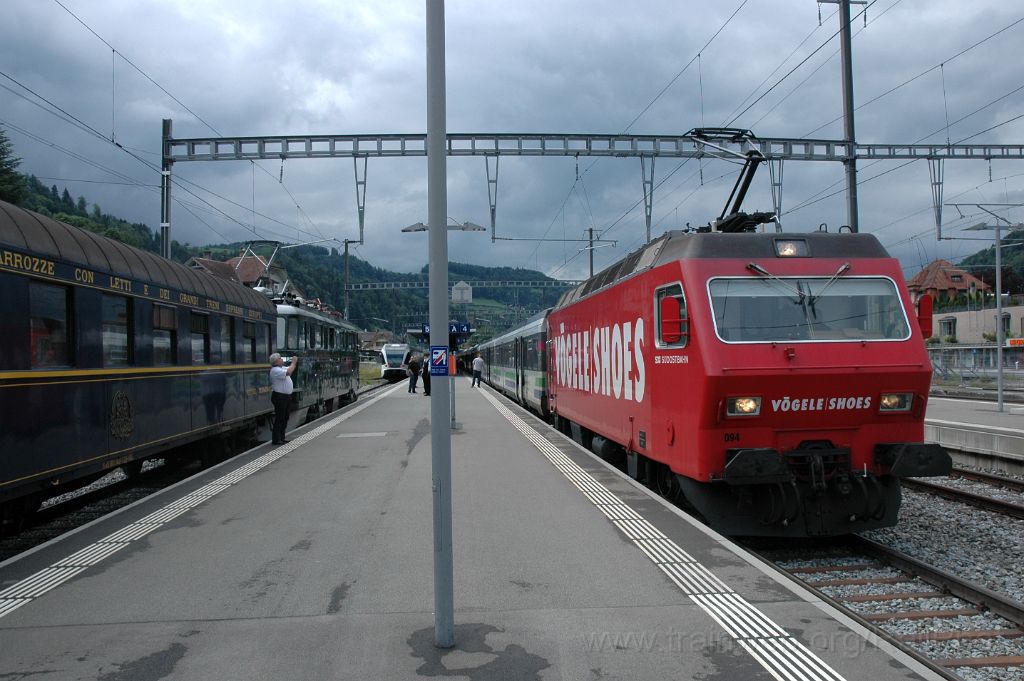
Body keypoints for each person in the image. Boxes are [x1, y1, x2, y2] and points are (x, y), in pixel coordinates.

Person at [269, 352, 298, 444]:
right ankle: (276, 439)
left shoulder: (281, 368)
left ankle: (281, 437)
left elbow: (290, 369)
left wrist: (293, 363)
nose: (282, 360)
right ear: (276, 361)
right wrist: (293, 362)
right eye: (280, 358)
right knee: (280, 418)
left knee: (285, 417)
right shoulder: (275, 370)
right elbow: (289, 372)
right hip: (279, 397)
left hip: (285, 397)